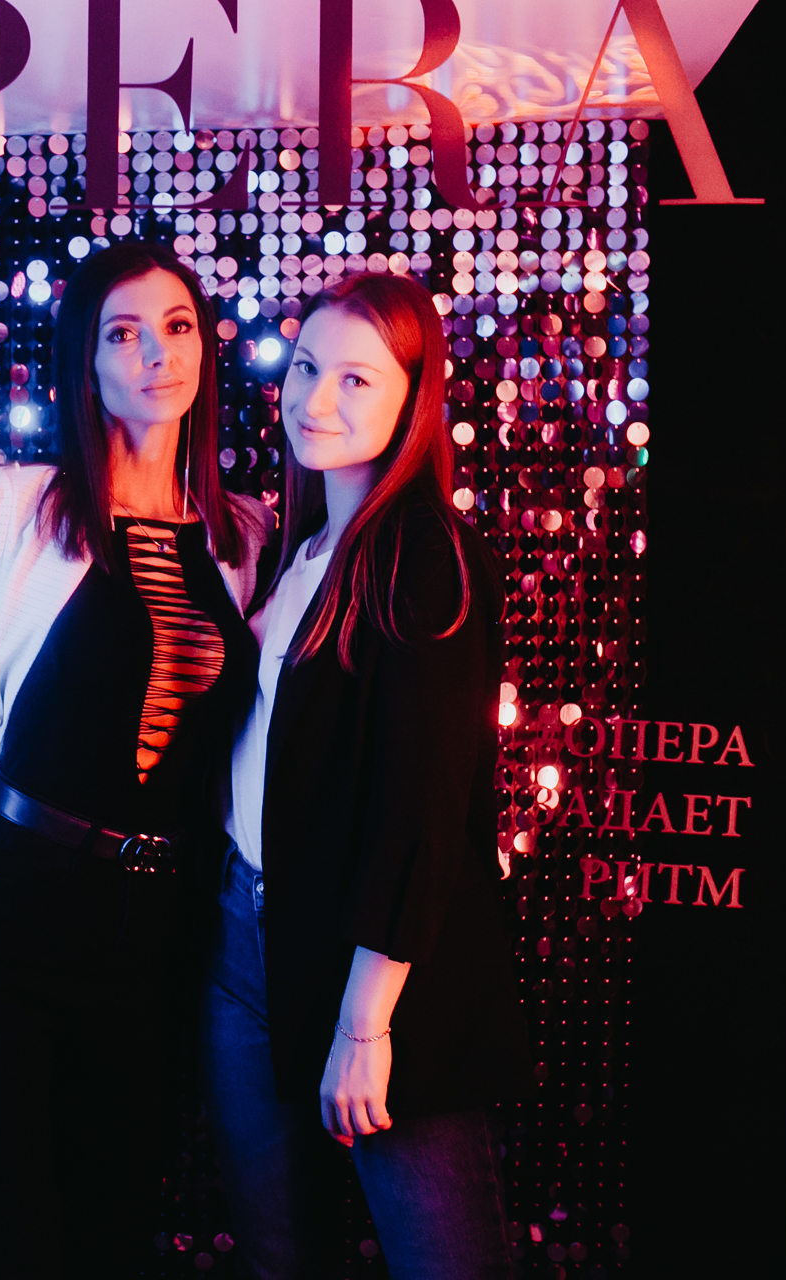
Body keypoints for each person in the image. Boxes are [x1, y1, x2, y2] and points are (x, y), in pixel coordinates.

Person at [0, 240, 276, 1280]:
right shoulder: (11, 506)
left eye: (177, 327)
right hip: (5, 916)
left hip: (156, 933)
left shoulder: (242, 535)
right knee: (14, 1242)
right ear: (86, 361)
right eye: (123, 333)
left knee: (110, 1234)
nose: (157, 354)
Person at [200, 274, 531, 1279]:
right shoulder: (294, 552)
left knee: (445, 1263)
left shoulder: (429, 556)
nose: (315, 399)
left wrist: (364, 1023)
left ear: (411, 400)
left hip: (380, 966)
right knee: (278, 1256)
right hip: (246, 941)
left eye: (356, 379)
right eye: (306, 368)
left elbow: (422, 810)